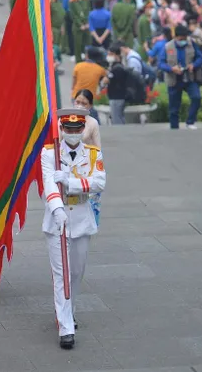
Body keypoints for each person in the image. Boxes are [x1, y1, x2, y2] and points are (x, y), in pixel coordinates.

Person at [40, 109, 106, 350]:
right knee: (62, 274)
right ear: (62, 129)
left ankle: (69, 310)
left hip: (81, 216)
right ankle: (65, 326)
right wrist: (57, 210)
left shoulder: (92, 153)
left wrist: (71, 182)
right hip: (57, 218)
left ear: (82, 130)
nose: (73, 133)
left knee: (76, 272)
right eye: (68, 129)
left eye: (77, 129)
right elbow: (48, 183)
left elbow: (100, 182)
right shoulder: (49, 153)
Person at [160, 24, 202, 129]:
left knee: (196, 97)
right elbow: (161, 63)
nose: (183, 40)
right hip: (174, 79)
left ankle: (190, 122)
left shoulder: (191, 44)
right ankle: (174, 128)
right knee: (174, 108)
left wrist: (194, 65)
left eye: (185, 38)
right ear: (175, 37)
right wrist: (171, 69)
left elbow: (200, 57)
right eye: (181, 38)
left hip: (189, 77)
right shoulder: (167, 47)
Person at [105, 43, 130, 125]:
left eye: (110, 54)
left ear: (116, 55)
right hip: (117, 97)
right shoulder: (116, 66)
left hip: (116, 98)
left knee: (117, 120)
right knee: (119, 118)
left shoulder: (117, 68)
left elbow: (107, 80)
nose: (108, 56)